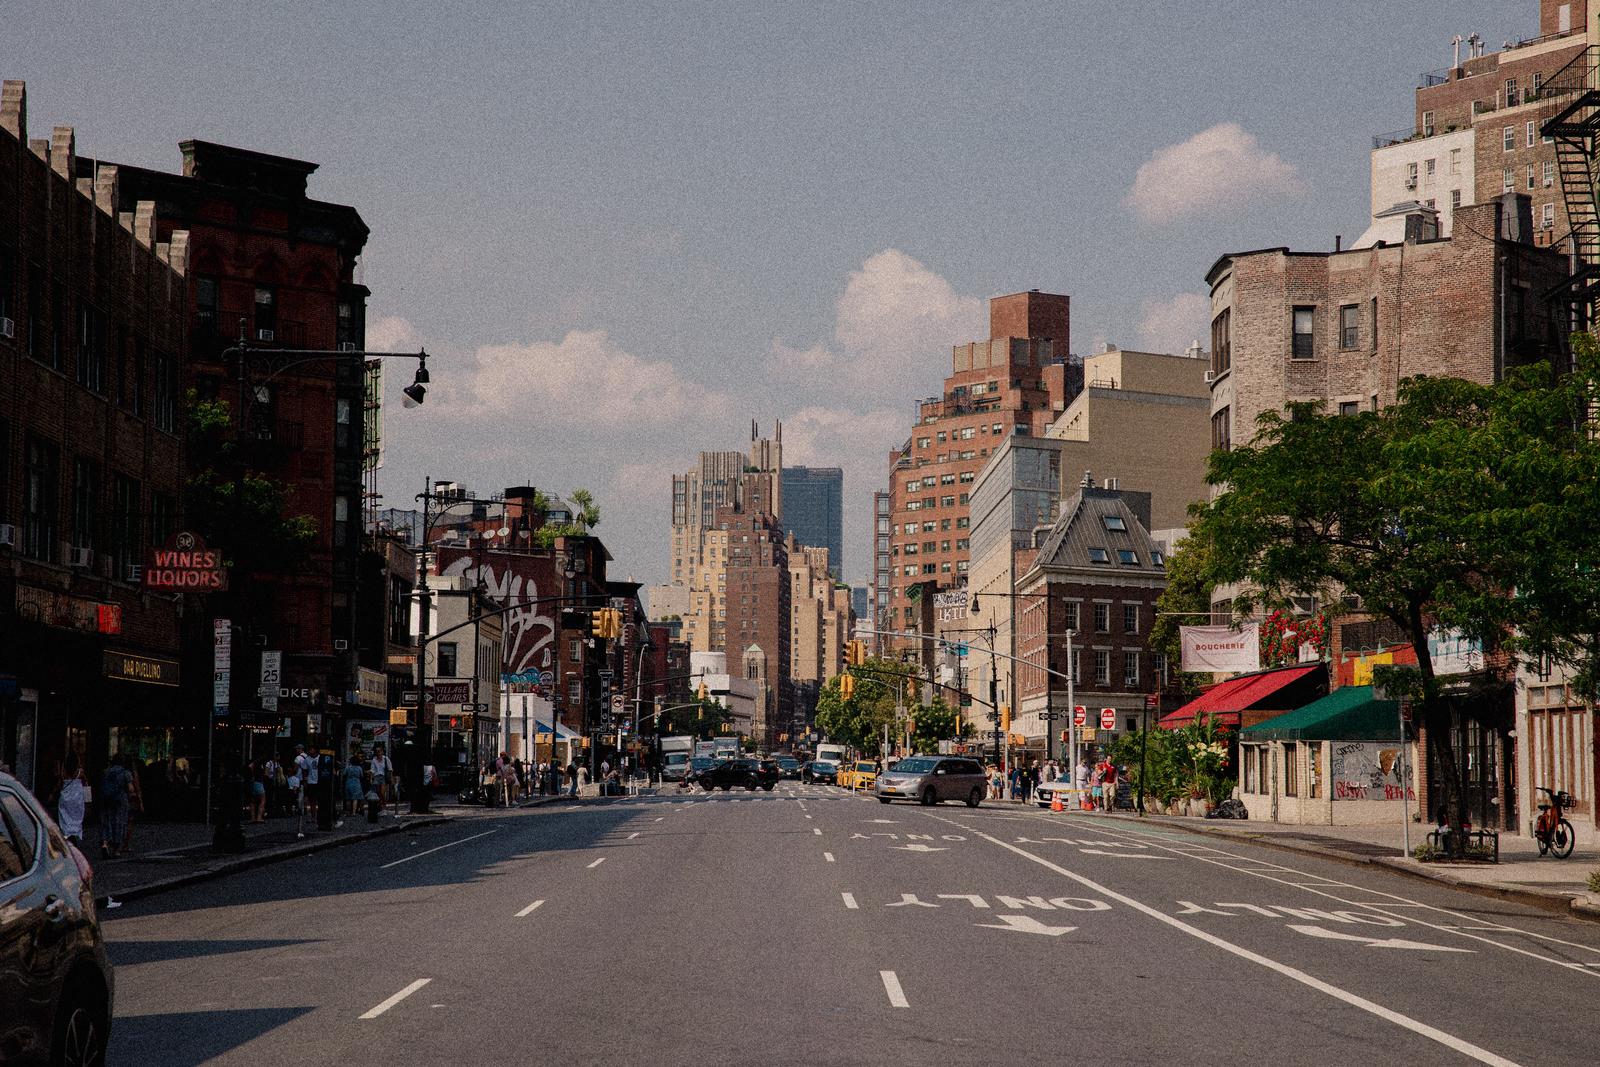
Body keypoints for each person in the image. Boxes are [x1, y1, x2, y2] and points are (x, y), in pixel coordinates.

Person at [98, 755, 131, 859]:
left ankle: (104, 842)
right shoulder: (126, 772)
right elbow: (130, 788)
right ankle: (116, 850)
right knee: (119, 822)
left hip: (105, 799)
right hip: (120, 799)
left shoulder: (106, 772)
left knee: (105, 821)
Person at [57, 754, 88, 845]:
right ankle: (74, 834)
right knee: (76, 817)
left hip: (65, 796)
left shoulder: (64, 772)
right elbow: (85, 782)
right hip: (77, 798)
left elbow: (60, 782)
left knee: (65, 816)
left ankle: (66, 834)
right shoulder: (80, 772)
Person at [122, 758, 144, 854]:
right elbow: (136, 787)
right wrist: (140, 801)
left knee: (121, 821)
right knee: (130, 821)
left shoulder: (120, 773)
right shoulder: (131, 774)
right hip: (131, 799)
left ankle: (119, 842)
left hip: (121, 798)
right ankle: (125, 844)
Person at [292, 744, 315, 838]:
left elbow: (295, 769)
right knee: (307, 796)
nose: (296, 750)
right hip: (307, 779)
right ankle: (305, 809)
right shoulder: (307, 757)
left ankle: (300, 808)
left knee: (299, 795)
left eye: (297, 749)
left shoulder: (298, 758)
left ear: (300, 749)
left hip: (299, 778)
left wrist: (291, 774)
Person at [369, 744, 393, 815]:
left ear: (382, 752)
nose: (378, 752)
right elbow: (372, 770)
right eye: (376, 751)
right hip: (376, 777)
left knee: (382, 793)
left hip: (384, 777)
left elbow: (390, 769)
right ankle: (379, 808)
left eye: (379, 751)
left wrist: (391, 778)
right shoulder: (374, 760)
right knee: (377, 793)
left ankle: (384, 808)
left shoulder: (386, 759)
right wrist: (371, 779)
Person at [248, 759, 267, 823]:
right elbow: (250, 766)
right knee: (262, 800)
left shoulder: (256, 764)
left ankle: (253, 818)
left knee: (253, 801)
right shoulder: (258, 763)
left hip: (253, 783)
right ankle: (259, 817)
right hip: (259, 782)